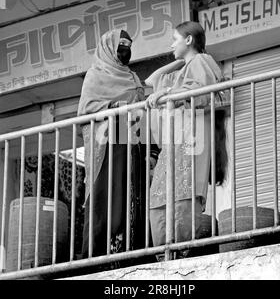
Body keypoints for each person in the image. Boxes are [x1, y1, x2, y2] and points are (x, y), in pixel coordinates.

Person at [144, 21, 227, 250]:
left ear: (188, 40)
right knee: (161, 196)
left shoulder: (201, 61)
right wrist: (179, 63)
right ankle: (166, 252)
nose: (171, 45)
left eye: (175, 39)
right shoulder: (186, 68)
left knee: (182, 199)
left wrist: (168, 92)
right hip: (178, 143)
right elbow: (151, 81)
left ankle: (178, 253)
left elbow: (199, 93)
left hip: (191, 142)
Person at [77, 29, 145, 257]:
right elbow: (86, 112)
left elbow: (141, 109)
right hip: (105, 146)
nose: (126, 49)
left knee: (129, 194)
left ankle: (127, 252)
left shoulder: (133, 77)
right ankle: (94, 257)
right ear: (108, 48)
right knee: (103, 197)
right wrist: (113, 109)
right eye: (120, 45)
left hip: (130, 143)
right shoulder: (95, 75)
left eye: (128, 44)